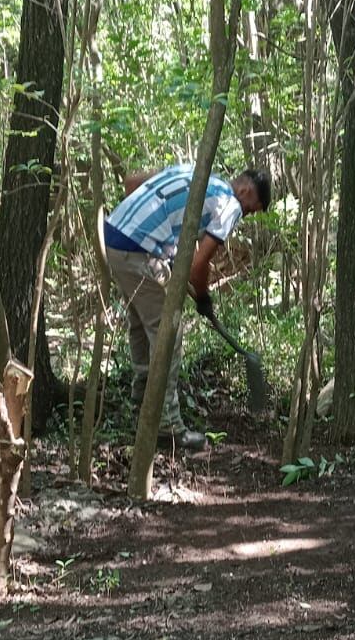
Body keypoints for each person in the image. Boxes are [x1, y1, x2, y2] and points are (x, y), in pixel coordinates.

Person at [103, 163, 271, 452]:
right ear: (245, 191)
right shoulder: (229, 204)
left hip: (111, 237)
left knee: (141, 321)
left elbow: (132, 183)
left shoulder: (196, 173)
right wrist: (204, 298)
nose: (247, 215)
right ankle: (168, 427)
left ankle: (142, 396)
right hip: (137, 250)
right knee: (169, 331)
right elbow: (198, 264)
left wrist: (159, 242)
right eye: (252, 209)